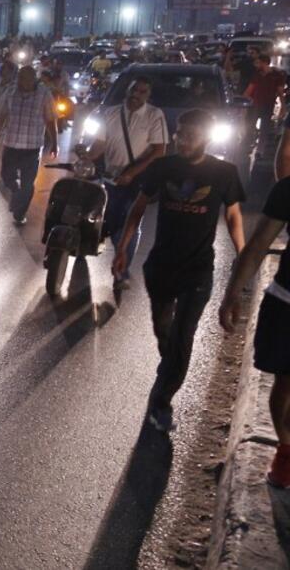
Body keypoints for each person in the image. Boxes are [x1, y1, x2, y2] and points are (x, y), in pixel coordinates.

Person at [113, 109, 245, 432]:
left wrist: (244, 257)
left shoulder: (224, 172)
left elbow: (233, 217)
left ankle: (162, 402)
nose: (182, 141)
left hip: (197, 270)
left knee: (183, 336)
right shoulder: (164, 167)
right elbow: (139, 206)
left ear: (206, 138)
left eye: (190, 136)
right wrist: (122, 248)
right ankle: (169, 364)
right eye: (179, 134)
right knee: (164, 330)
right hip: (161, 266)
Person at [221, 176, 290, 486]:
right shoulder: (287, 188)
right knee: (285, 386)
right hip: (287, 303)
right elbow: (259, 244)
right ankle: (286, 450)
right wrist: (232, 293)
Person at [79, 77, 167, 288]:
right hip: (111, 178)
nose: (137, 94)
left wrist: (131, 173)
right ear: (128, 90)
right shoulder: (110, 113)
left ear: (148, 95)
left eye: (142, 91)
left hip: (138, 180)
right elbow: (100, 144)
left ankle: (121, 272)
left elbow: (159, 150)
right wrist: (86, 157)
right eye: (134, 90)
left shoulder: (155, 115)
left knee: (128, 224)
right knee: (108, 218)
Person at [0, 66, 57, 224]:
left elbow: (50, 120)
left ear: (34, 79)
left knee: (28, 184)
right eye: (20, 78)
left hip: (32, 148)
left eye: (26, 78)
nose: (23, 82)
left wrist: (54, 142)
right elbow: (1, 115)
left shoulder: (44, 94)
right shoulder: (11, 91)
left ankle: (20, 214)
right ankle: (16, 193)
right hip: (11, 144)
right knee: (7, 177)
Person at [243, 53, 286, 156]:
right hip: (255, 105)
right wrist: (245, 101)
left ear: (265, 63)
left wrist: (283, 107)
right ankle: (249, 145)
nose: (256, 65)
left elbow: (280, 92)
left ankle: (260, 150)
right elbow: (249, 90)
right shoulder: (257, 75)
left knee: (264, 128)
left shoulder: (276, 75)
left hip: (268, 105)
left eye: (258, 63)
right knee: (250, 126)